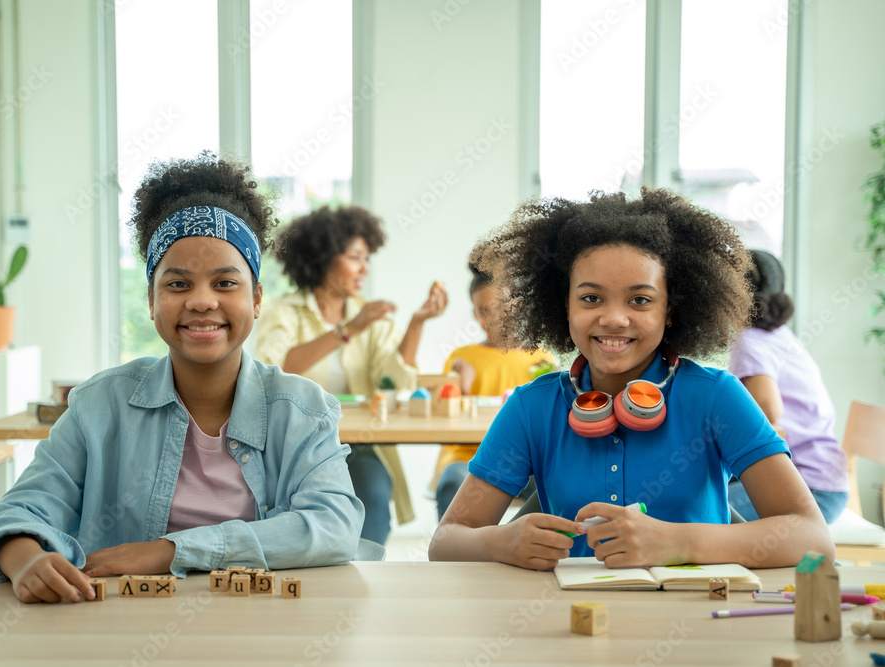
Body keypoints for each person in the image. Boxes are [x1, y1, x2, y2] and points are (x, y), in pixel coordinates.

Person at [0, 153, 363, 603]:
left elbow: (333, 526)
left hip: (261, 631)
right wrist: (24, 558)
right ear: (152, 301)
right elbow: (18, 511)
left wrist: (171, 551)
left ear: (256, 298)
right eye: (177, 284)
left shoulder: (303, 410)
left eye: (224, 284)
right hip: (123, 631)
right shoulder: (99, 406)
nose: (201, 301)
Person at [429, 188, 834, 571]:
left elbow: (814, 538)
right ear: (563, 305)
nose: (614, 318)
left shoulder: (716, 397)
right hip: (568, 624)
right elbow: (446, 541)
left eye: (640, 300)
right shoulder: (531, 406)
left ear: (670, 311)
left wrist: (680, 543)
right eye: (590, 298)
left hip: (697, 626)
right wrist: (498, 543)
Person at [255, 205, 447, 545]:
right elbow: (275, 369)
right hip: (291, 441)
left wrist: (416, 323)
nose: (364, 269)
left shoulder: (367, 315)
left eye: (367, 258)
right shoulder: (285, 312)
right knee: (298, 510)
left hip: (355, 442)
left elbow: (392, 378)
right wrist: (348, 330)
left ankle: (361, 583)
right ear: (324, 258)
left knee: (373, 494)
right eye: (356, 257)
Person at [727, 249, 849, 524]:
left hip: (809, 490)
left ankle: (813, 564)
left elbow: (768, 410)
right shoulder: (778, 335)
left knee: (703, 509)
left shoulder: (749, 341)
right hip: (825, 481)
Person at [434, 262, 555, 520]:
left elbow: (551, 420)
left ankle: (518, 548)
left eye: (502, 309)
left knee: (555, 488)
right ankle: (457, 555)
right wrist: (463, 385)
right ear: (475, 314)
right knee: (451, 485)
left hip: (526, 460)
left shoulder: (541, 362)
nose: (494, 319)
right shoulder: (462, 359)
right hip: (467, 456)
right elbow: (444, 415)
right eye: (483, 311)